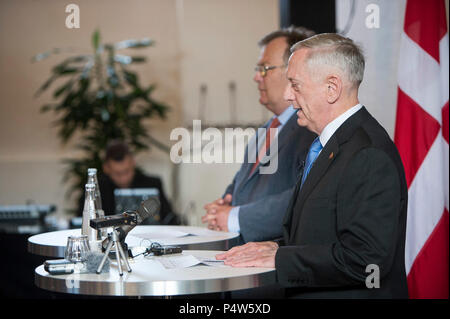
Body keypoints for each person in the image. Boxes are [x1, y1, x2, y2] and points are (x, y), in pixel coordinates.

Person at [216, 33, 409, 299]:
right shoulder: (327, 144)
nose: (288, 95)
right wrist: (273, 247)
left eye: (295, 85)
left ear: (332, 88)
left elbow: (367, 261)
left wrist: (280, 258)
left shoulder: (369, 154)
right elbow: (318, 238)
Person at [202, 26, 316, 243]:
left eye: (265, 68)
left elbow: (304, 198)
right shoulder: (266, 129)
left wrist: (235, 217)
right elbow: (241, 185)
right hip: (245, 259)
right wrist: (224, 206)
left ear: (294, 71)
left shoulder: (311, 129)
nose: (256, 77)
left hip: (280, 263)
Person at [77, 141, 179, 225]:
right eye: (117, 174)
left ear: (133, 163)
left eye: (127, 171)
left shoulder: (152, 184)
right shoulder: (96, 189)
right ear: (106, 168)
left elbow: (168, 218)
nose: (123, 178)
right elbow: (83, 221)